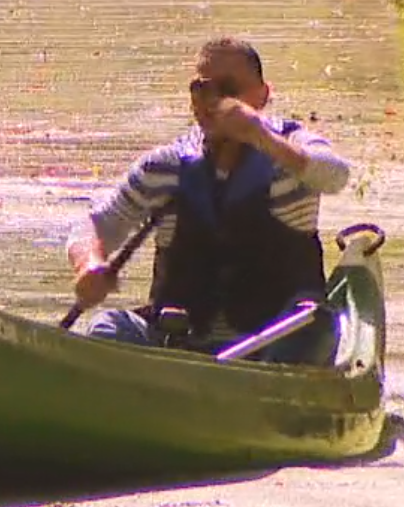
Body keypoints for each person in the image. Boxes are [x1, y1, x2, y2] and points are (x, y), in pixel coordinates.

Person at [64, 36, 352, 360]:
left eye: (228, 89)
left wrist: (262, 137)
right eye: (201, 89)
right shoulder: (166, 167)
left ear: (262, 96)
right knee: (107, 326)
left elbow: (335, 175)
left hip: (279, 342)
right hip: (181, 346)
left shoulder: (291, 153)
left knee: (317, 327)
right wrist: (89, 264)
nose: (213, 101)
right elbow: (97, 224)